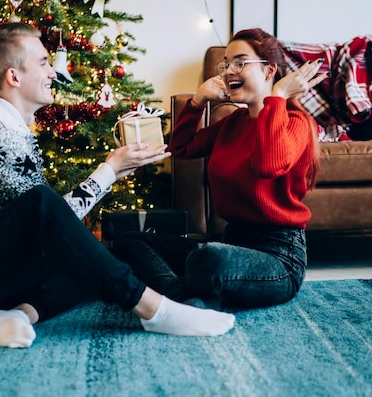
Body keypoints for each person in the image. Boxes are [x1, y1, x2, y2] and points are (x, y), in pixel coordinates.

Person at [0, 22, 235, 348]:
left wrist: (116, 170)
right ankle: (154, 310)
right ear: (13, 77)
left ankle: (17, 314)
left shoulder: (9, 125)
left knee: (90, 258)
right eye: (44, 63)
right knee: (51, 215)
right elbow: (45, 215)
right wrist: (109, 170)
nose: (53, 72)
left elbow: (50, 227)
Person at [112, 28, 326, 310]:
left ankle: (174, 297)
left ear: (269, 70)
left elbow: (268, 165)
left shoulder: (294, 122)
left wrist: (279, 96)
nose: (229, 71)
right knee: (128, 242)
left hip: (279, 257)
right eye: (226, 63)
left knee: (208, 259)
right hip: (232, 242)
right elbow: (182, 148)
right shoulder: (233, 122)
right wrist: (197, 101)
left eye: (240, 62)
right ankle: (179, 298)